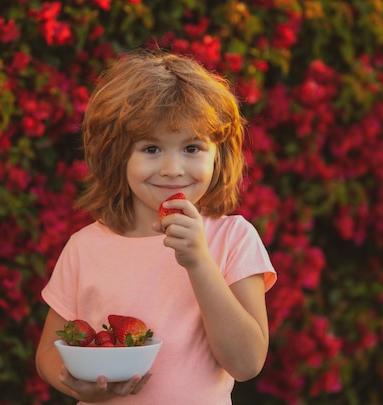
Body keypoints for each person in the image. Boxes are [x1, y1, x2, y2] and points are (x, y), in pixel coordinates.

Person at [35, 49, 277, 404]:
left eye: (192, 147)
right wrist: (76, 383)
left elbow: (246, 362)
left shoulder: (233, 239)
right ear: (118, 156)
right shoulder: (85, 247)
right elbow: (48, 353)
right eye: (151, 148)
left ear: (218, 154)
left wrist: (198, 261)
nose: (172, 168)